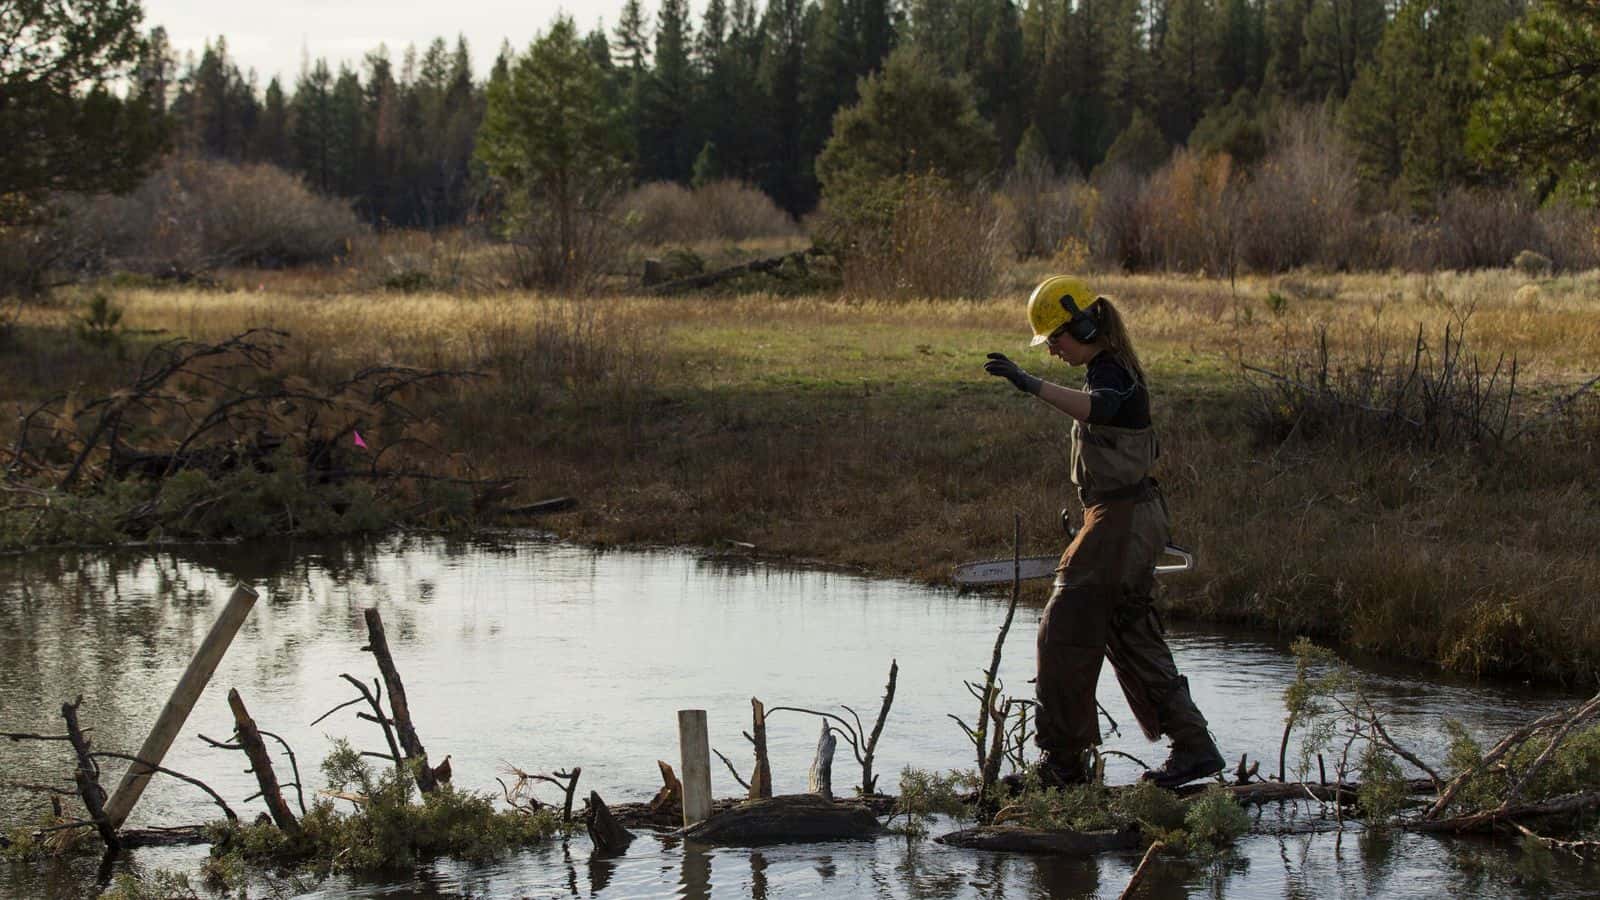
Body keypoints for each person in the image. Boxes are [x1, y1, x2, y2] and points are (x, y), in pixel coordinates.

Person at [983, 275, 1224, 789]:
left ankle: (1064, 767)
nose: (1052, 350)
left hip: (1121, 521)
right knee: (1130, 632)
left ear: (1085, 324)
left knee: (1062, 631)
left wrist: (1029, 384)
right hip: (1125, 519)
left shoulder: (1111, 372)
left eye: (1056, 338)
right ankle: (1194, 747)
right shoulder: (1108, 367)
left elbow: (1103, 410)